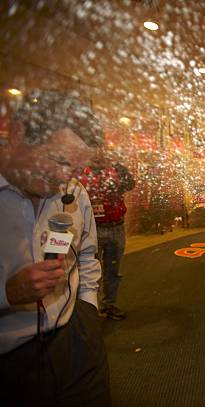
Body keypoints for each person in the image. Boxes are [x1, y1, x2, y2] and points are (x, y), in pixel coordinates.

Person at [0, 89, 111, 406]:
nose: (65, 178)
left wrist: (88, 308)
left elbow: (87, 254)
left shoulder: (74, 192)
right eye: (58, 160)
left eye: (75, 169)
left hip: (76, 339)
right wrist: (6, 294)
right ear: (18, 135)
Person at [80, 148, 135, 320]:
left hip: (116, 227)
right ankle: (90, 309)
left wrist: (120, 169)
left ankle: (108, 305)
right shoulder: (81, 172)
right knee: (89, 272)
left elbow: (130, 184)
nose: (98, 154)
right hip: (92, 229)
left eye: (101, 149)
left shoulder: (116, 169)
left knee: (113, 271)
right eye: (93, 149)